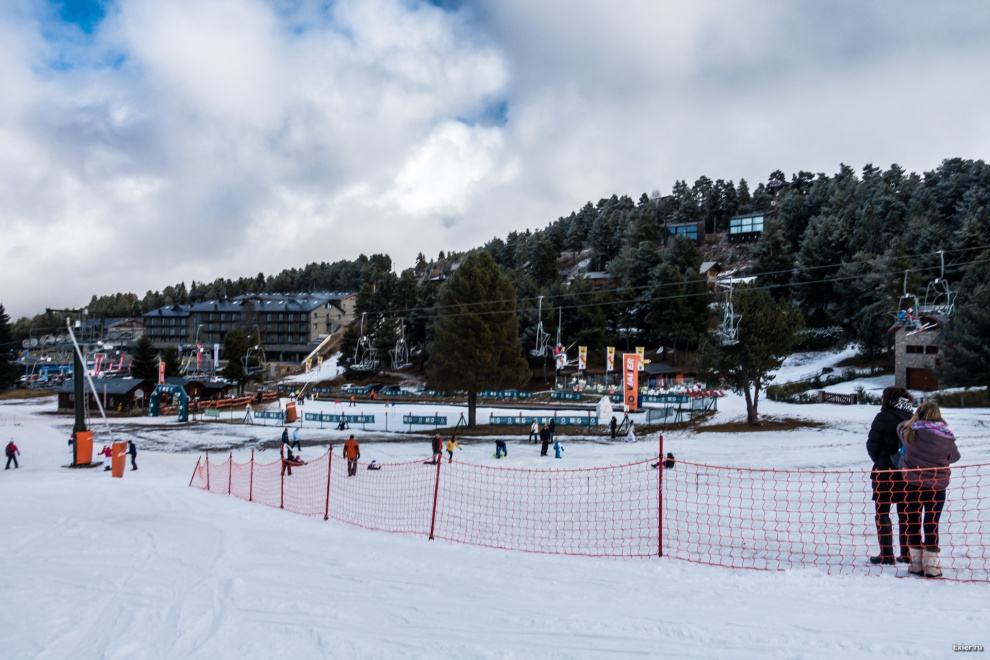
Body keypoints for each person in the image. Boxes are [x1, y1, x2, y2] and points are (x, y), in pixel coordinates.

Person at [898, 402, 960, 578]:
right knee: (932, 522)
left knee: (913, 521)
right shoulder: (946, 436)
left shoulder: (909, 432)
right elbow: (955, 457)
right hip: (936, 485)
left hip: (913, 484)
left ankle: (916, 564)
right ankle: (931, 566)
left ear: (918, 414)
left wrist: (913, 421)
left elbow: (900, 426)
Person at [866, 386, 914, 566]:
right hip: (908, 472)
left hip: (885, 472)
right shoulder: (913, 418)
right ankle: (907, 553)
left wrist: (881, 461)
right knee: (906, 513)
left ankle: (886, 554)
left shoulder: (883, 417)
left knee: (882, 512)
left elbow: (872, 446)